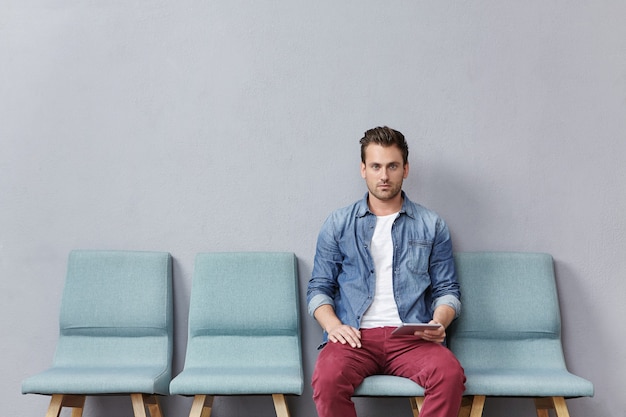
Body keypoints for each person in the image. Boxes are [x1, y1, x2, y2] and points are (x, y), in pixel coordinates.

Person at [307, 126, 465, 417]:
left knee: (450, 374)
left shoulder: (431, 225)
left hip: (410, 337)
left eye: (392, 166)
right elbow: (319, 289)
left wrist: (439, 322)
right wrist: (333, 327)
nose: (384, 175)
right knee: (327, 379)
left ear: (405, 170)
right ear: (363, 169)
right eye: (376, 166)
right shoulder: (338, 224)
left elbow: (447, 291)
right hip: (355, 336)